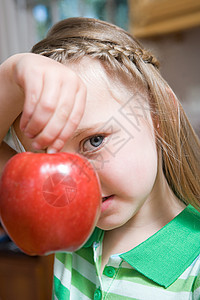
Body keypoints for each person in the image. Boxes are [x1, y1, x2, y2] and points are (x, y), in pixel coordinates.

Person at [0, 17, 200, 299]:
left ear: (159, 114)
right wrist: (10, 74)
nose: (68, 187)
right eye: (48, 156)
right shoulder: (69, 233)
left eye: (94, 141)